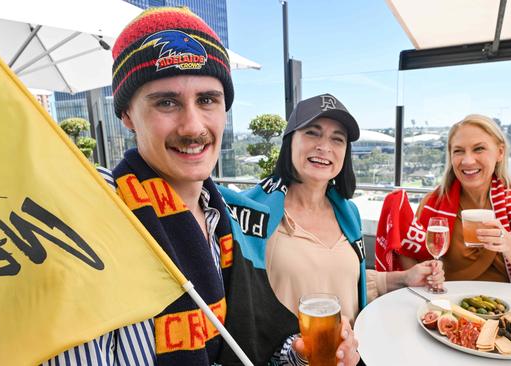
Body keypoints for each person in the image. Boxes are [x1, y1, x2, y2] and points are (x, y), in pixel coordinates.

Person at [43, 7, 357, 366]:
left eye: (207, 100)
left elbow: (251, 342)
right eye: (166, 102)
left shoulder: (223, 217)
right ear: (127, 115)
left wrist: (300, 356)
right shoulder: (99, 216)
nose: (193, 126)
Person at [222, 94, 444, 336]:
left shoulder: (348, 213)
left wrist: (404, 278)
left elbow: (344, 281)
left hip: (351, 355)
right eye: (312, 133)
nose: (324, 146)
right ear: (289, 141)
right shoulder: (249, 215)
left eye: (337, 139)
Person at [377, 114, 511, 286]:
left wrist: (509, 245)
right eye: (458, 151)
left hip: (509, 308)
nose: (467, 161)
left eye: (479, 149)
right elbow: (414, 270)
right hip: (451, 306)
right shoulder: (433, 202)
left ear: (500, 152)